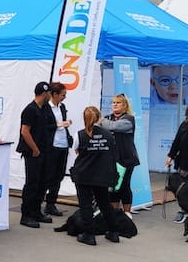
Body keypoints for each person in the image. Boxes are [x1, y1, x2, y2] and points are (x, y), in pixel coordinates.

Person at [69, 106, 120, 246]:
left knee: (86, 205)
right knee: (104, 203)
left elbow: (77, 151)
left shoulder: (79, 135)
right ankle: (114, 232)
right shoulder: (109, 135)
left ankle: (89, 235)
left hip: (84, 174)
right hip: (102, 175)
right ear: (99, 117)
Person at [16, 81, 54, 228]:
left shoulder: (44, 109)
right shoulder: (30, 110)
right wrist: (35, 148)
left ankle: (36, 211)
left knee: (42, 182)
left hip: (44, 150)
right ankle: (26, 214)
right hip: (32, 152)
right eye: (49, 94)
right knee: (32, 183)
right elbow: (25, 131)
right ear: (44, 94)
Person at [101, 94, 140, 215]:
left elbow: (114, 127)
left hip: (126, 158)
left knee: (124, 185)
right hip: (111, 159)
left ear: (125, 105)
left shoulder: (129, 119)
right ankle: (115, 213)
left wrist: (101, 121)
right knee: (113, 186)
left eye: (118, 103)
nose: (115, 105)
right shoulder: (108, 118)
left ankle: (127, 213)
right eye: (113, 102)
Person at [42, 82, 72, 217]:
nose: (64, 97)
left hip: (63, 144)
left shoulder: (62, 107)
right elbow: (44, 126)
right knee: (48, 175)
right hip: (51, 145)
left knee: (59, 176)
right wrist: (58, 125)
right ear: (54, 94)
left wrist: (66, 125)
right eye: (62, 95)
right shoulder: (46, 108)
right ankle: (39, 202)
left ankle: (51, 203)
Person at [165, 103, 188, 223]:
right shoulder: (184, 126)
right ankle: (184, 211)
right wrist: (170, 156)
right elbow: (176, 142)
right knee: (182, 190)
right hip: (184, 163)